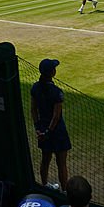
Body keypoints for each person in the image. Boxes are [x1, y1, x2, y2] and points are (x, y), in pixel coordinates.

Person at [31, 58, 70, 189]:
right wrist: (48, 131)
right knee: (61, 163)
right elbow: (56, 116)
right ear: (52, 72)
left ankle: (44, 185)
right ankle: (64, 191)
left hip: (42, 129)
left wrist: (39, 129)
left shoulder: (35, 88)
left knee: (45, 159)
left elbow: (33, 110)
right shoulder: (57, 92)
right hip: (57, 132)